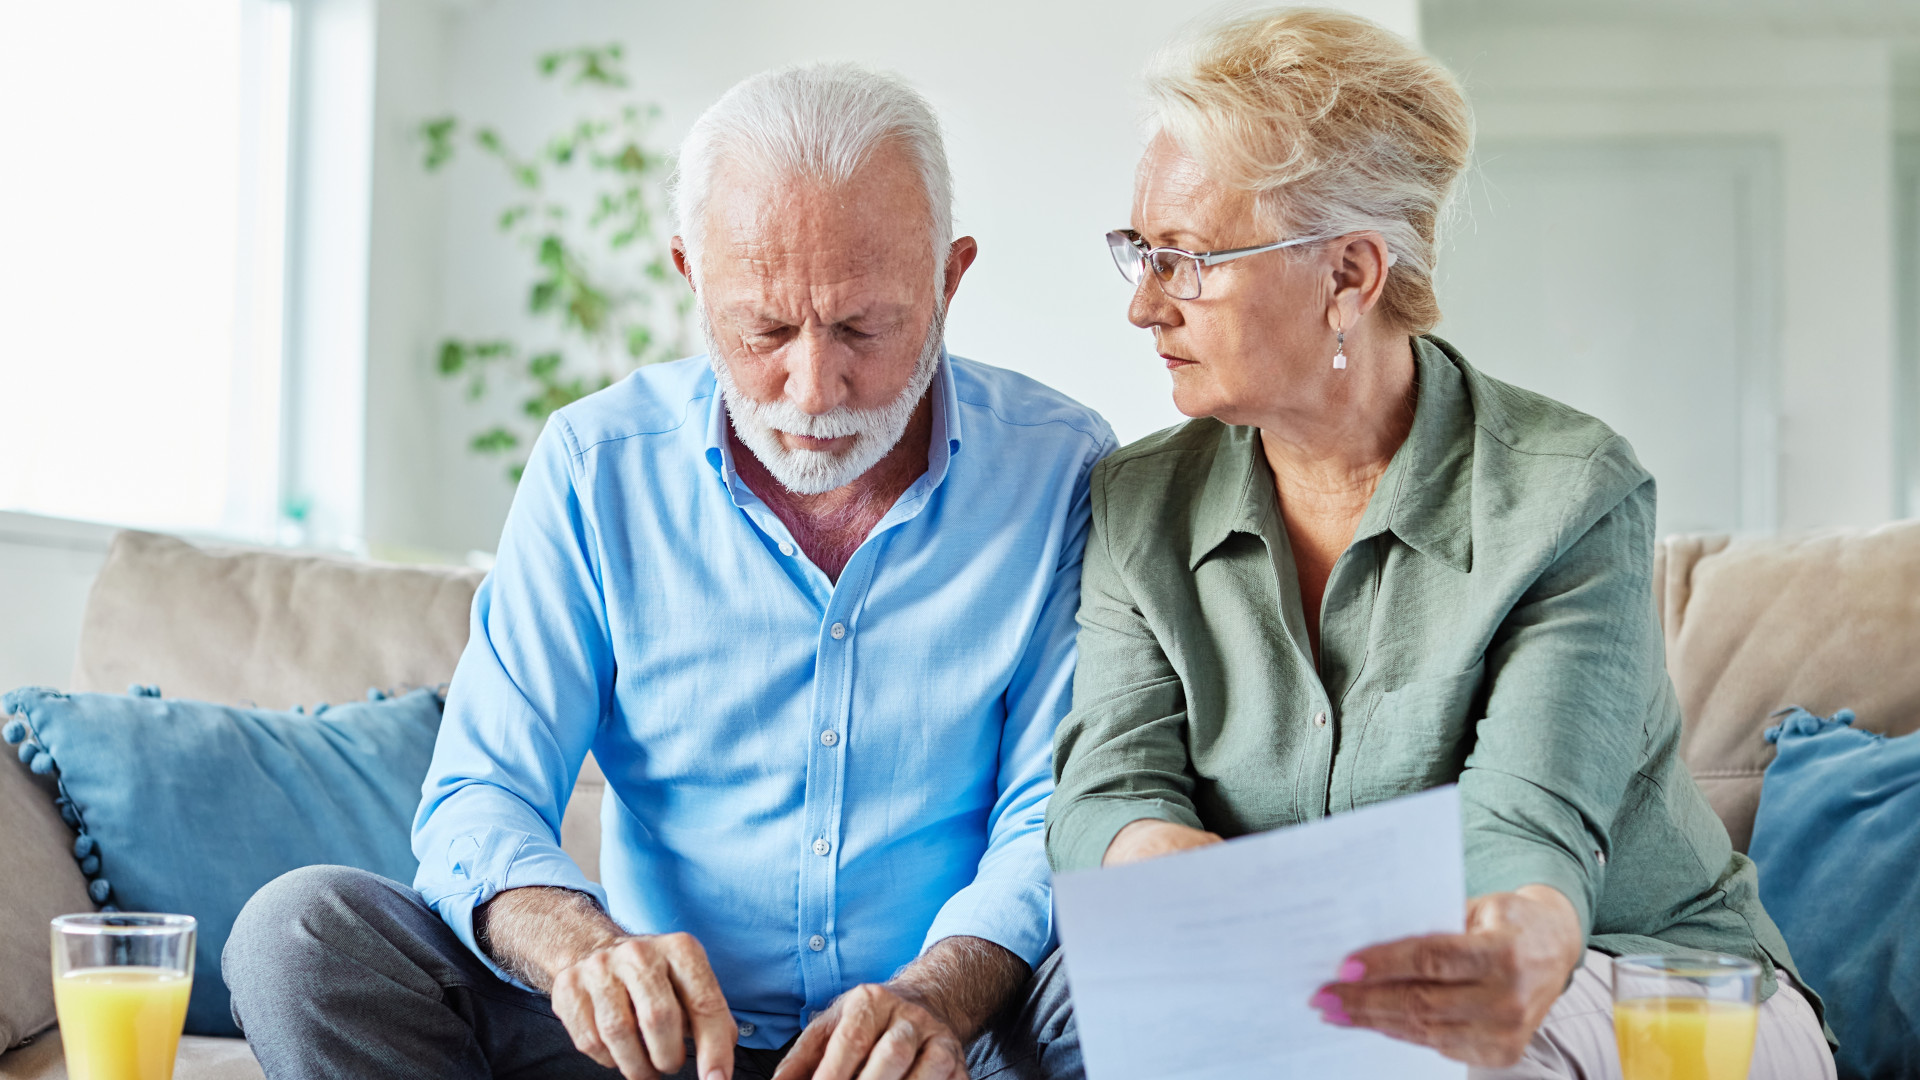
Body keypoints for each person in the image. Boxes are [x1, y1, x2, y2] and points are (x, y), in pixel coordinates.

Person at [224, 63, 1111, 1080]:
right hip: (656, 1052)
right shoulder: (593, 467)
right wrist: (588, 954)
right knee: (301, 933)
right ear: (692, 275)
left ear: (950, 279)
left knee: (1125, 960)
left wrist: (932, 1001)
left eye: (866, 325)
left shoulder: (1061, 469)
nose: (814, 387)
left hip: (947, 1037)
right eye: (765, 328)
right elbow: (481, 794)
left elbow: (1052, 810)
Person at [1044, 9, 1836, 1079]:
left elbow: (1526, 819)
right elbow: (1112, 784)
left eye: (1187, 260)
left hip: (1651, 982)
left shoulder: (1569, 492)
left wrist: (1525, 943)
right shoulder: (1140, 500)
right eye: (1140, 252)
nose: (1145, 305)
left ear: (1350, 276)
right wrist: (1214, 905)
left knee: (1462, 1051)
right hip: (1313, 986)